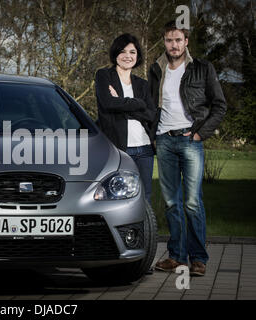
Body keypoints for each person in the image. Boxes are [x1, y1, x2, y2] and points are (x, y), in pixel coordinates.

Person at [149, 21, 227, 276]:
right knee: (172, 203)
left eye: (178, 40)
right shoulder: (156, 69)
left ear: (186, 42)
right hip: (164, 140)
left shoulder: (202, 68)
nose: (174, 45)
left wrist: (198, 134)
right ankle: (176, 256)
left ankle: (198, 259)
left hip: (189, 140)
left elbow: (219, 106)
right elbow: (150, 106)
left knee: (192, 202)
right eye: (169, 40)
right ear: (164, 42)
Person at [95, 33, 156, 204]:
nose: (128, 56)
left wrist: (122, 104)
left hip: (145, 150)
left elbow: (151, 114)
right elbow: (107, 104)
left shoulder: (142, 84)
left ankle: (144, 232)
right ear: (115, 54)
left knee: (145, 197)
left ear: (138, 56)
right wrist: (138, 104)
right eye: (123, 51)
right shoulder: (104, 76)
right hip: (119, 148)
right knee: (117, 197)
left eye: (132, 52)